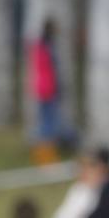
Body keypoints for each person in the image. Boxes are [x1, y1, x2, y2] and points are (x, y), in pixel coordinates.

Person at [29, 18, 67, 157]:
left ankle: (46, 154)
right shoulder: (46, 46)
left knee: (47, 121)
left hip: (44, 87)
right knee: (48, 123)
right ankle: (45, 155)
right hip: (48, 88)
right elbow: (49, 69)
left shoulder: (41, 45)